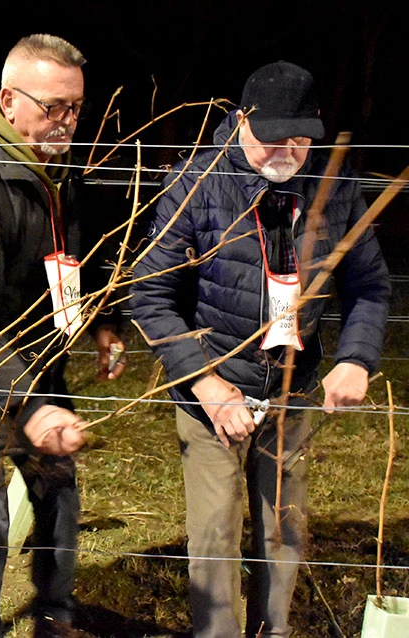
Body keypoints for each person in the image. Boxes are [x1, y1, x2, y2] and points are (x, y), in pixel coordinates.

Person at [130, 61, 390, 637]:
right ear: (242, 120)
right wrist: (205, 383)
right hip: (213, 385)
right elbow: (149, 295)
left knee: (283, 530)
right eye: (273, 134)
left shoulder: (335, 186)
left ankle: (273, 630)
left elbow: (369, 286)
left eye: (301, 137)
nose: (288, 149)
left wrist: (354, 358)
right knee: (216, 535)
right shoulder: (196, 185)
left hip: (293, 388)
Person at [0, 34, 125, 638]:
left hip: (42, 373)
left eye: (75, 108)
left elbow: (74, 262)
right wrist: (32, 404)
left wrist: (105, 322)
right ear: (9, 101)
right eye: (52, 107)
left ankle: (53, 621)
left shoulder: (56, 176)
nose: (66, 122)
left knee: (60, 510)